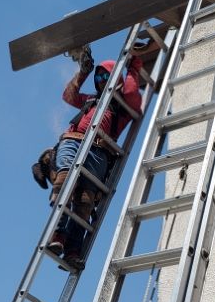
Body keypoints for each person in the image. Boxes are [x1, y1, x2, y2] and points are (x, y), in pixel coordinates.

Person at [45, 47, 143, 269]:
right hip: (74, 141)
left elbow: (130, 94)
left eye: (105, 75)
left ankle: (72, 251)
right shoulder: (91, 100)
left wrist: (133, 65)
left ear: (115, 78)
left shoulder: (122, 106)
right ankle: (57, 237)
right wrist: (83, 73)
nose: (100, 80)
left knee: (85, 203)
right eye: (98, 76)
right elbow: (68, 96)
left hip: (99, 153)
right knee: (65, 181)